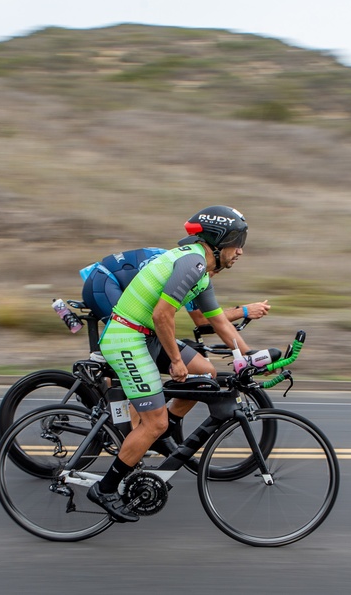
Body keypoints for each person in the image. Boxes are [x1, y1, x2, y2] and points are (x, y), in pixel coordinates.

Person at [86, 205, 266, 522]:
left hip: (140, 337)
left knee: (191, 388)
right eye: (237, 242)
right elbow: (161, 315)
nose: (240, 251)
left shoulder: (201, 273)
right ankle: (106, 488)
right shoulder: (192, 263)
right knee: (155, 423)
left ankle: (144, 441)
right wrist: (174, 360)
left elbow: (221, 324)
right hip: (127, 338)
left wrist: (252, 359)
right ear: (218, 240)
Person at [80, 247, 270, 336]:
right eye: (213, 274)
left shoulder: (194, 265)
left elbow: (203, 319)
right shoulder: (190, 269)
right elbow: (203, 320)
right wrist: (244, 311)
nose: (210, 280)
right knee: (134, 339)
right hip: (103, 281)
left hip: (108, 280)